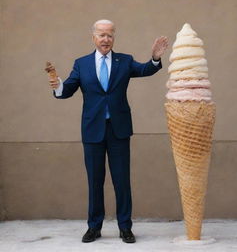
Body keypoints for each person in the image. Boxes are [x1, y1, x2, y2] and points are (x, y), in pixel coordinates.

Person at [48, 19, 168, 243]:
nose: (106, 39)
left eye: (110, 35)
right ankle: (94, 227)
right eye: (102, 35)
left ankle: (125, 227)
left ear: (114, 38)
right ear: (93, 37)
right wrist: (58, 86)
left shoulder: (125, 61)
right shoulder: (81, 64)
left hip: (118, 130)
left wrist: (155, 58)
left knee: (122, 181)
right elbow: (67, 91)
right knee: (95, 181)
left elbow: (144, 70)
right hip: (92, 130)